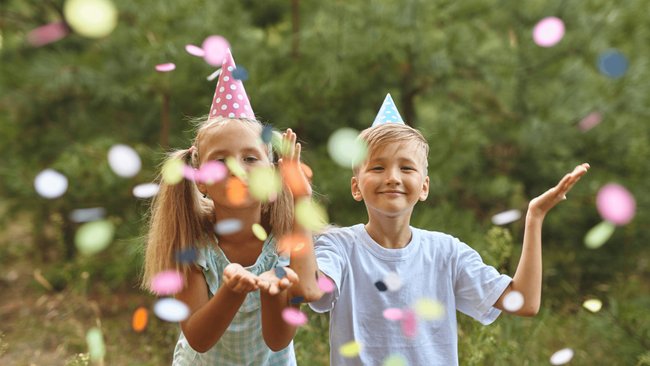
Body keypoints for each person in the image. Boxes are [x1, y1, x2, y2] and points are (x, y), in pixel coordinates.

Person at [308, 94, 590, 365]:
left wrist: (535, 216)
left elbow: (524, 302)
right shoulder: (339, 246)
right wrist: (298, 212)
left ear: (425, 187)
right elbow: (313, 290)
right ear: (356, 187)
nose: (393, 177)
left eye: (406, 168)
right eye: (378, 167)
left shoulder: (446, 253)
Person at [142, 50, 320, 365]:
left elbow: (278, 340)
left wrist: (272, 292)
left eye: (250, 158)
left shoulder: (285, 239)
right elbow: (198, 338)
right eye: (220, 160)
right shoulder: (193, 245)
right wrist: (232, 291)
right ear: (201, 181)